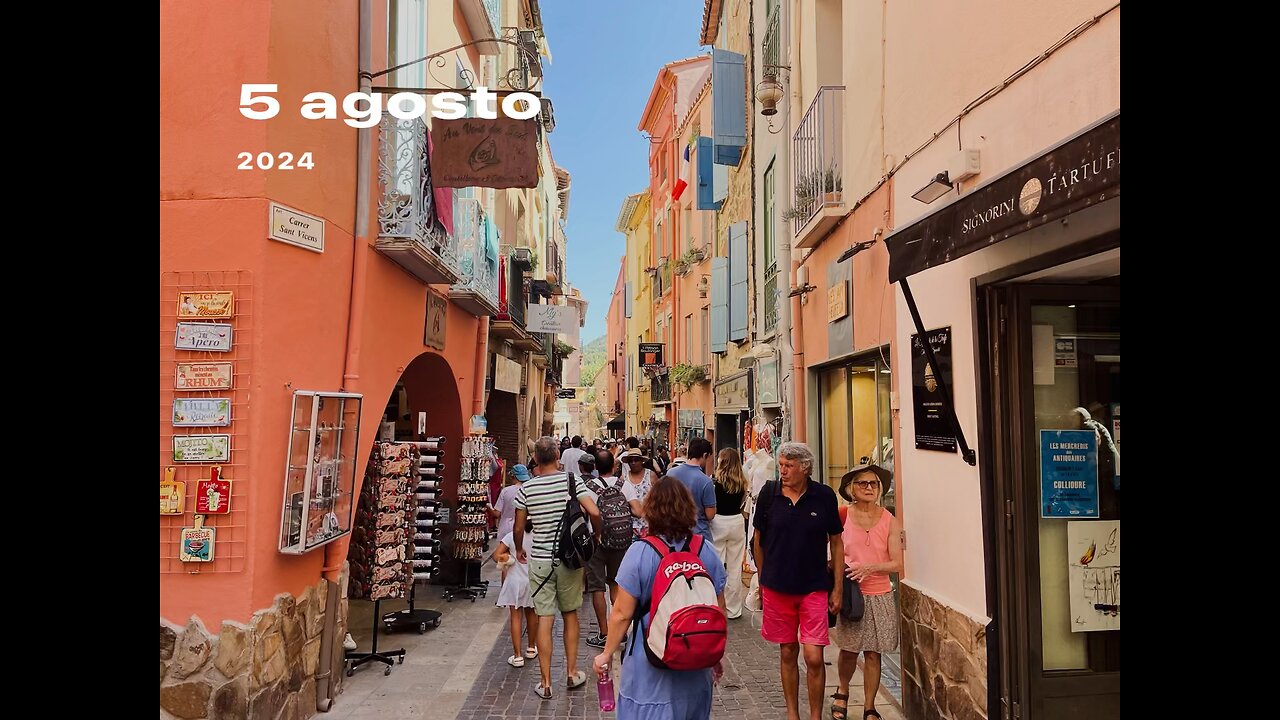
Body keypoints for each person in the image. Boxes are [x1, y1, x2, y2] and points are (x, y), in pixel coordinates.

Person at [591, 476, 727, 719]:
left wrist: (607, 653)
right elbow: (718, 608)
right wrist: (714, 653)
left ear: (651, 510)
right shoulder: (704, 549)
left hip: (651, 665)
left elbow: (622, 613)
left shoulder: (640, 552)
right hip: (695, 665)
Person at [752, 442, 844, 720]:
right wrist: (763, 576)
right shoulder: (769, 495)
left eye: (788, 466)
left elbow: (837, 543)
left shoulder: (824, 496)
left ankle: (815, 715)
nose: (783, 471)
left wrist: (838, 588)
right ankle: (793, 714)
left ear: (805, 468)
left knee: (814, 656)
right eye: (781, 465)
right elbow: (758, 541)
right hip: (777, 588)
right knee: (788, 651)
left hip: (814, 586)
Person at [514, 437, 603, 700]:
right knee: (570, 615)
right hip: (569, 559)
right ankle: (572, 672)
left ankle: (545, 682)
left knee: (544, 618)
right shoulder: (572, 482)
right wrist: (596, 535)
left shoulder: (526, 489)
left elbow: (518, 527)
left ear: (536, 460)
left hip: (540, 559)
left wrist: (519, 548)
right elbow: (595, 513)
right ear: (557, 456)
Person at [831, 463, 902, 720]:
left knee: (874, 652)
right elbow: (829, 550)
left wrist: (871, 568)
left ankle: (869, 706)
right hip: (852, 595)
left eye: (874, 483)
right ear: (851, 488)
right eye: (863, 483)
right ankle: (843, 690)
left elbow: (897, 563)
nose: (869, 488)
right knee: (849, 650)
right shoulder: (842, 515)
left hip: (881, 594)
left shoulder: (889, 519)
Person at [582, 450, 630, 649]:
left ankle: (604, 633)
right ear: (614, 467)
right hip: (620, 541)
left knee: (597, 588)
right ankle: (620, 632)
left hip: (596, 542)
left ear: (595, 468)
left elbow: (585, 513)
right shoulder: (624, 485)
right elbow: (636, 509)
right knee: (615, 584)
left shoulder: (588, 488)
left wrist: (598, 530)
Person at [494, 519, 539, 668]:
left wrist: (509, 559)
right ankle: (531, 647)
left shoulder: (511, 536)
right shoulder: (538, 535)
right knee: (532, 614)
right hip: (532, 579)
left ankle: (517, 655)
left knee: (515, 617)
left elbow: (496, 555)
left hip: (514, 581)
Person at [710, 448, 749, 619]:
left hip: (718, 521)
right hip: (736, 521)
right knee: (734, 568)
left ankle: (716, 605)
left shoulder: (715, 482)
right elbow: (742, 504)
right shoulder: (742, 482)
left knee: (717, 565)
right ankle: (734, 609)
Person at [664, 437, 717, 542]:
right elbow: (710, 514)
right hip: (698, 536)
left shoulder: (671, 473)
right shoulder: (705, 481)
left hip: (674, 533)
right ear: (705, 455)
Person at [618, 448, 655, 538]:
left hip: (649, 524)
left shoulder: (651, 475)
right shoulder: (624, 478)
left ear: (641, 461)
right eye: (631, 461)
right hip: (630, 525)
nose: (633, 463)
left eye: (636, 460)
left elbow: (659, 497)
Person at [490, 463, 531, 541]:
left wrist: (488, 507)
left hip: (505, 529)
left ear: (513, 476)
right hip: (523, 528)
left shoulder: (506, 491)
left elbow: (497, 514)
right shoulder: (529, 490)